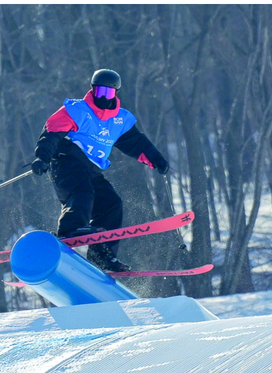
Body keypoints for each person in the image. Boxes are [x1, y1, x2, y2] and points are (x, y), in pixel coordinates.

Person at [30, 69, 169, 272]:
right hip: (65, 162)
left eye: (109, 93)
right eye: (100, 92)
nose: (103, 97)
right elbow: (51, 133)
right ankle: (70, 230)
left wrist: (157, 159)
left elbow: (138, 144)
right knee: (82, 191)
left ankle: (102, 255)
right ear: (93, 90)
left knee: (112, 203)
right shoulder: (77, 110)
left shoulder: (119, 120)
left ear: (116, 94)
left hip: (91, 169)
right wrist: (42, 157)